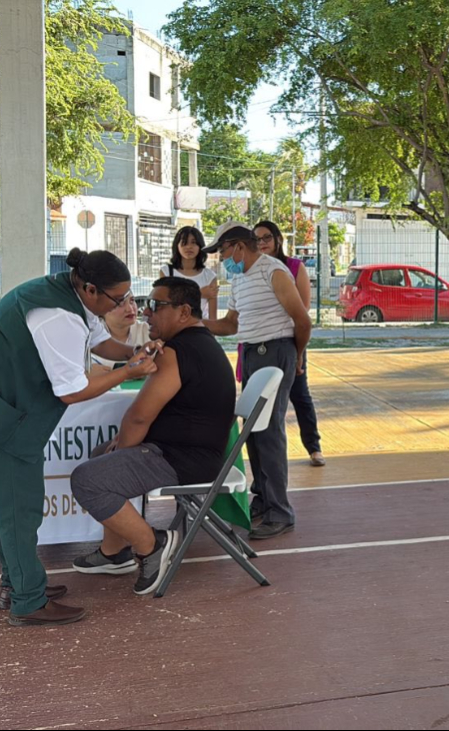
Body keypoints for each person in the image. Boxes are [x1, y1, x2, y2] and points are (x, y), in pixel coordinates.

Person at [0, 249, 157, 626]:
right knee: (19, 510)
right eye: (118, 299)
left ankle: (17, 583)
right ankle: (28, 600)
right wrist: (128, 373)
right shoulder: (57, 316)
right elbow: (72, 391)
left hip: (0, 406)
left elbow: (100, 344)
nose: (124, 306)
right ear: (90, 289)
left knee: (15, 505)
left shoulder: (69, 296)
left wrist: (134, 353)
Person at [69, 278, 236, 595]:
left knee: (88, 479)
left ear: (184, 312)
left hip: (184, 460)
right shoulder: (200, 345)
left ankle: (152, 545)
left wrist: (120, 453)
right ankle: (113, 553)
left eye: (155, 306)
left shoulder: (177, 352)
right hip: (193, 454)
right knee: (99, 455)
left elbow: (139, 416)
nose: (146, 312)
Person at [203, 225, 312, 540]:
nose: (222, 259)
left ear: (238, 247)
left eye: (222, 252)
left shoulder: (273, 272)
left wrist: (297, 355)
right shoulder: (239, 279)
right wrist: (197, 324)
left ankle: (280, 511)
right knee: (252, 432)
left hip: (276, 351)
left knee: (269, 432)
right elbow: (230, 323)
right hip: (250, 353)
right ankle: (263, 501)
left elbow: (302, 321)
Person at [255, 220, 326, 467]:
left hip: (289, 343)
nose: (262, 243)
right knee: (262, 401)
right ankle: (268, 457)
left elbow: (302, 310)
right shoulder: (252, 270)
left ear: (277, 240)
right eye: (257, 239)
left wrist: (298, 351)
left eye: (266, 238)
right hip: (260, 346)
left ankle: (313, 446)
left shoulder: (293, 267)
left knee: (299, 394)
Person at [162, 226, 219, 319]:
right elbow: (165, 302)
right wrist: (199, 293)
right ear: (177, 245)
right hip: (173, 329)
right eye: (184, 243)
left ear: (200, 246)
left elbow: (213, 319)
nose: (189, 247)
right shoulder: (166, 272)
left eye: (193, 242)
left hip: (199, 329)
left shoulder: (210, 276)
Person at [90, 296, 150, 371]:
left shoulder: (147, 331)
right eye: (119, 303)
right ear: (101, 309)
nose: (130, 309)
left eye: (132, 301)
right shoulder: (90, 334)